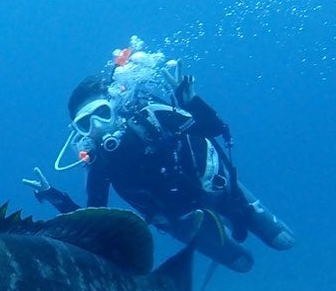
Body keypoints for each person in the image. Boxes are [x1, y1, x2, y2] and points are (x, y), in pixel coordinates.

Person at [24, 38, 294, 273]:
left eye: (102, 113)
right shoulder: (100, 163)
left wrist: (191, 102)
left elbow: (215, 129)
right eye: (86, 124)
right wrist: (52, 195)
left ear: (116, 107)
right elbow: (94, 218)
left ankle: (245, 213)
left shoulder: (152, 115)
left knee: (282, 239)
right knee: (241, 264)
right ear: (80, 132)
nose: (97, 127)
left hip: (218, 188)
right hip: (177, 218)